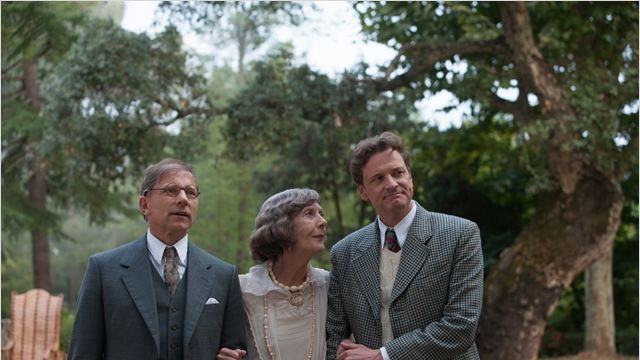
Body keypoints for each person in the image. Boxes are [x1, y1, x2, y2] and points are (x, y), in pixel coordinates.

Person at [68, 158, 247, 360]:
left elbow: (238, 351)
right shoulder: (103, 270)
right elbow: (82, 354)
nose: (183, 199)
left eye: (190, 192)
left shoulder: (224, 275)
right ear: (145, 205)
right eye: (171, 190)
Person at [326, 132, 483, 360]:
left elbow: (461, 326)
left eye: (398, 173)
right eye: (378, 179)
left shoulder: (460, 234)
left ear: (410, 177)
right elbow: (334, 339)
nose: (391, 184)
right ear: (362, 191)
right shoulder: (344, 253)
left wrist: (382, 356)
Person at [218, 188, 330, 360]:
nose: (323, 221)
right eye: (309, 213)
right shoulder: (242, 290)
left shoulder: (329, 285)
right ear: (282, 225)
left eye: (321, 213)